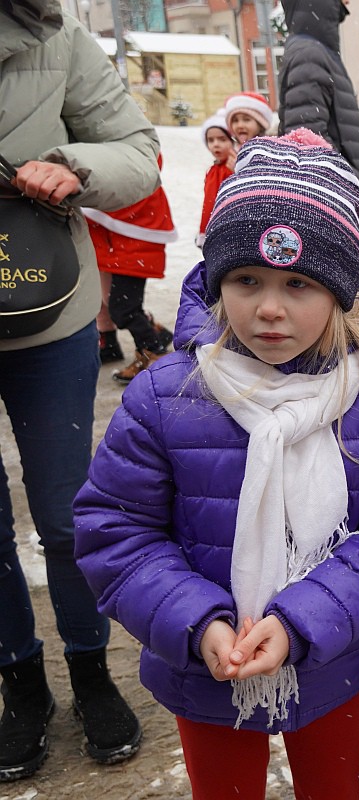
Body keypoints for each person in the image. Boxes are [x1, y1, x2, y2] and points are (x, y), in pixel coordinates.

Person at [72, 130, 359, 799]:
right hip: (204, 665)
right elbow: (115, 532)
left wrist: (305, 620)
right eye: (247, 280)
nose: (269, 308)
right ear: (216, 281)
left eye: (299, 283)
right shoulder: (167, 394)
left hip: (327, 655)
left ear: (340, 292)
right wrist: (196, 620)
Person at [0, 0, 159, 782]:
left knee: (66, 513)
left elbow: (138, 151)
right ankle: (19, 684)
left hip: (45, 305)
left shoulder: (54, 35)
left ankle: (91, 670)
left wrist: (74, 166)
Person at [278, 0, 359, 305]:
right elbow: (306, 138)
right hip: (349, 204)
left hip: (356, 200)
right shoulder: (309, 53)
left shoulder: (316, 49)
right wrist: (351, 183)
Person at [82, 153, 178, 383]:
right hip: (114, 240)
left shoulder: (134, 162)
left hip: (132, 240)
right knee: (108, 299)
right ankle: (150, 335)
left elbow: (142, 171)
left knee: (123, 307)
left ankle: (154, 354)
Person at [197, 111, 235, 248]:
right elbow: (208, 204)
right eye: (211, 140)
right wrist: (203, 230)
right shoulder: (212, 170)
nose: (216, 144)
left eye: (222, 139)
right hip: (211, 226)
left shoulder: (232, 168)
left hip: (227, 227)